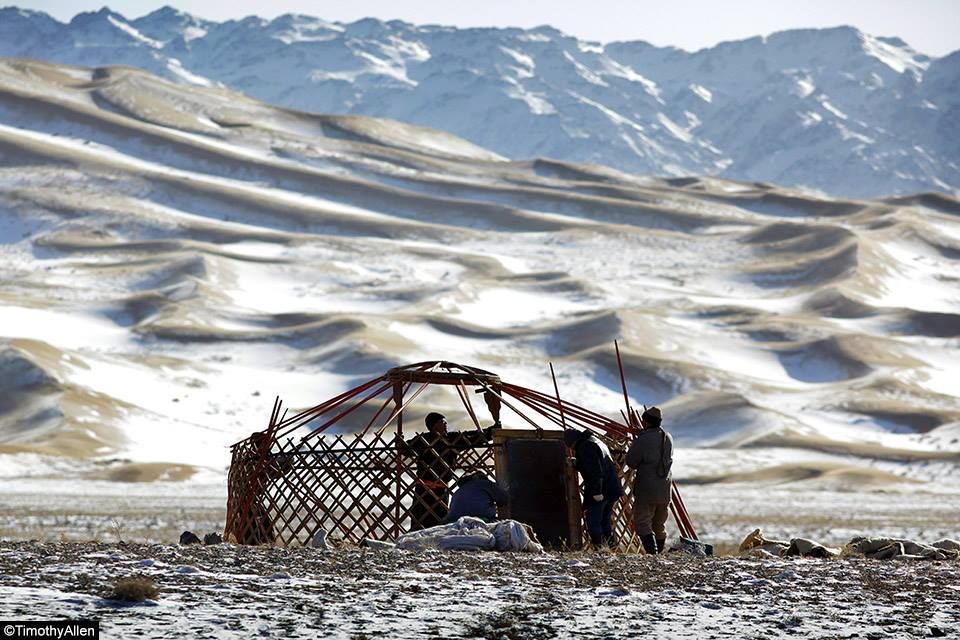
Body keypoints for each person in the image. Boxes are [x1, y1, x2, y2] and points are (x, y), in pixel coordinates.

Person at [405, 412, 497, 530]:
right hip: (424, 488)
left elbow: (472, 437)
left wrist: (490, 432)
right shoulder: (423, 440)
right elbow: (405, 449)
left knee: (440, 520)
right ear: (433, 425)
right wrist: (401, 443)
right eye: (442, 422)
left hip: (442, 489)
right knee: (420, 519)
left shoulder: (452, 439)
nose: (445, 424)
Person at [563, 427, 625, 547]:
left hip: (601, 490)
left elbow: (595, 470)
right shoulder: (594, 441)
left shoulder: (586, 446)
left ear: (572, 442)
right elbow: (596, 463)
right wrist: (577, 463)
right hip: (612, 488)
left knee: (593, 521)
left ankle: (600, 548)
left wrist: (597, 492)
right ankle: (610, 547)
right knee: (605, 520)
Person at [625, 406, 674, 555]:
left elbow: (631, 461)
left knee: (643, 522)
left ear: (646, 422)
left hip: (647, 489)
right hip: (665, 489)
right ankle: (658, 555)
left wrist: (637, 443)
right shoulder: (668, 437)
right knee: (659, 524)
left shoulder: (644, 439)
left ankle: (653, 555)